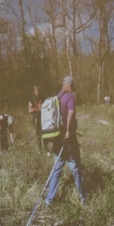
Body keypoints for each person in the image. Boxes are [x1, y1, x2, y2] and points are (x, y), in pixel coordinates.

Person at [46, 76, 87, 205]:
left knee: (57, 168)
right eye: (72, 84)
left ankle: (49, 200)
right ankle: (83, 196)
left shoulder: (57, 97)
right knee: (75, 167)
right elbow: (70, 113)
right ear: (70, 85)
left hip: (56, 137)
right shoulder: (70, 97)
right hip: (68, 138)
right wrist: (69, 130)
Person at [28, 86, 43, 151]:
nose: (37, 92)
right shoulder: (31, 99)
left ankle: (45, 147)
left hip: (42, 117)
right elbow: (29, 110)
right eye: (36, 90)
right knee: (38, 133)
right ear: (34, 91)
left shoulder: (41, 98)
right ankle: (40, 149)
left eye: (38, 90)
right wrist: (35, 109)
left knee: (44, 131)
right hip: (36, 117)